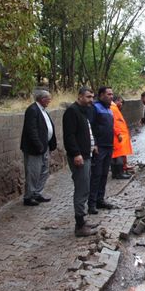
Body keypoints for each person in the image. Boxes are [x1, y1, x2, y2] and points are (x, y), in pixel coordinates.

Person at [63, 86, 98, 237]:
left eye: (92, 97)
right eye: (89, 97)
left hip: (87, 154)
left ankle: (83, 221)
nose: (91, 100)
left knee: (85, 187)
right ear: (80, 96)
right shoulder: (72, 111)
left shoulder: (84, 111)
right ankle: (79, 226)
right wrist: (76, 154)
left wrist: (93, 145)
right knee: (82, 189)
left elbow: (87, 131)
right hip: (80, 157)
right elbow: (69, 136)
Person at [20, 89, 57, 206]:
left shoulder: (43, 110)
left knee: (44, 171)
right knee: (33, 172)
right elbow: (31, 130)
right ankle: (29, 196)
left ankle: (37, 193)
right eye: (48, 99)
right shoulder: (32, 110)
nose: (50, 101)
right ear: (42, 99)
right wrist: (39, 145)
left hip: (44, 146)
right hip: (35, 148)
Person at [88, 86, 118, 214]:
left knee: (104, 174)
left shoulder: (109, 109)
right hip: (99, 147)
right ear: (101, 95)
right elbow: (90, 127)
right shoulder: (95, 108)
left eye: (112, 94)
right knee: (96, 175)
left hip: (108, 146)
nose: (111, 96)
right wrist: (94, 144)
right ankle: (92, 204)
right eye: (108, 94)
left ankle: (100, 200)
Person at [110, 95, 133, 180]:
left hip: (117, 136)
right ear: (116, 101)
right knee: (119, 155)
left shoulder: (113, 108)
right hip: (118, 137)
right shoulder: (113, 109)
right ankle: (119, 173)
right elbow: (114, 123)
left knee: (115, 155)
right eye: (120, 101)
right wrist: (119, 134)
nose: (121, 104)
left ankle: (116, 173)